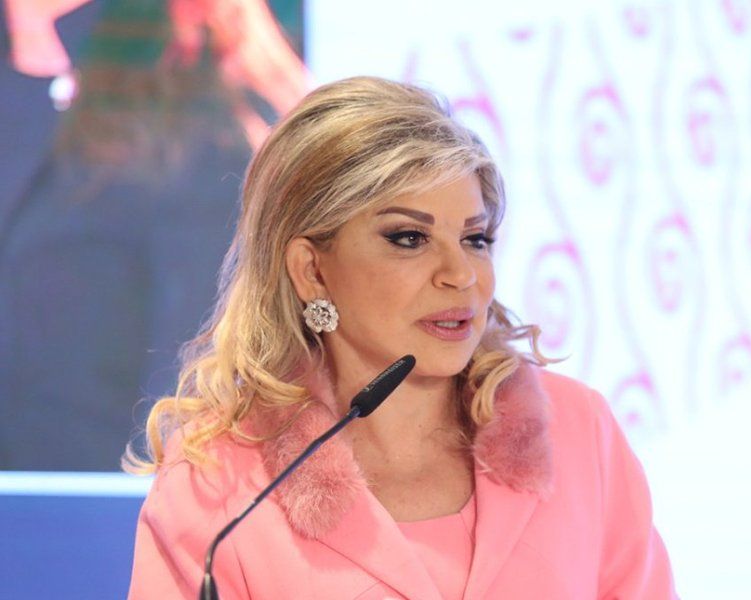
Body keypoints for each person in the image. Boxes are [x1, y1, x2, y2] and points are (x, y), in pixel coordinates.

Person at [125, 76, 678, 599]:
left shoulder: (578, 432)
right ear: (312, 270)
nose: (460, 275)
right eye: (410, 238)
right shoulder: (218, 486)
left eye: (475, 239)